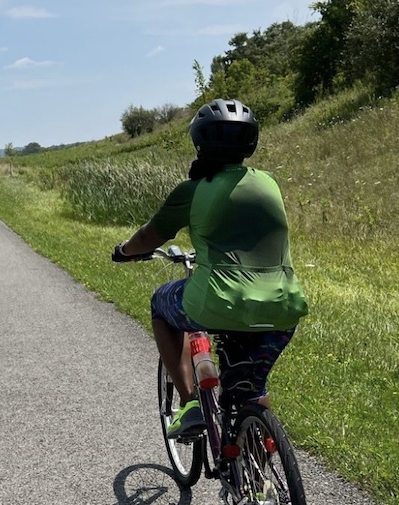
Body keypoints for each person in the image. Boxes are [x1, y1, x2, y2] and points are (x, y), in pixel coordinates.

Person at [112, 98, 308, 438]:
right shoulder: (268, 183)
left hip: (218, 303)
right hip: (283, 306)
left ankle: (190, 404)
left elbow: (148, 237)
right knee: (248, 390)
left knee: (161, 302)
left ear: (199, 141)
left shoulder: (193, 190)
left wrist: (125, 252)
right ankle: (260, 477)